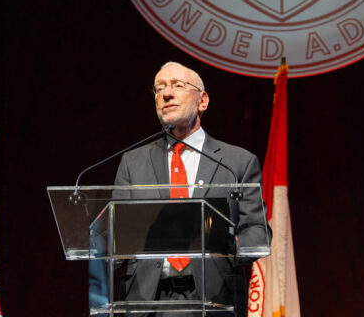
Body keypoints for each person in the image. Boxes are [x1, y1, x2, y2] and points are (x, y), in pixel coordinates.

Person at [112, 61, 270, 315]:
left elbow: (258, 232)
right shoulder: (133, 163)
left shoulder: (238, 162)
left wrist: (228, 244)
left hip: (213, 299)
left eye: (177, 85)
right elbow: (115, 231)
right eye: (159, 88)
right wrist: (107, 242)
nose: (166, 93)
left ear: (202, 100)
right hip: (145, 301)